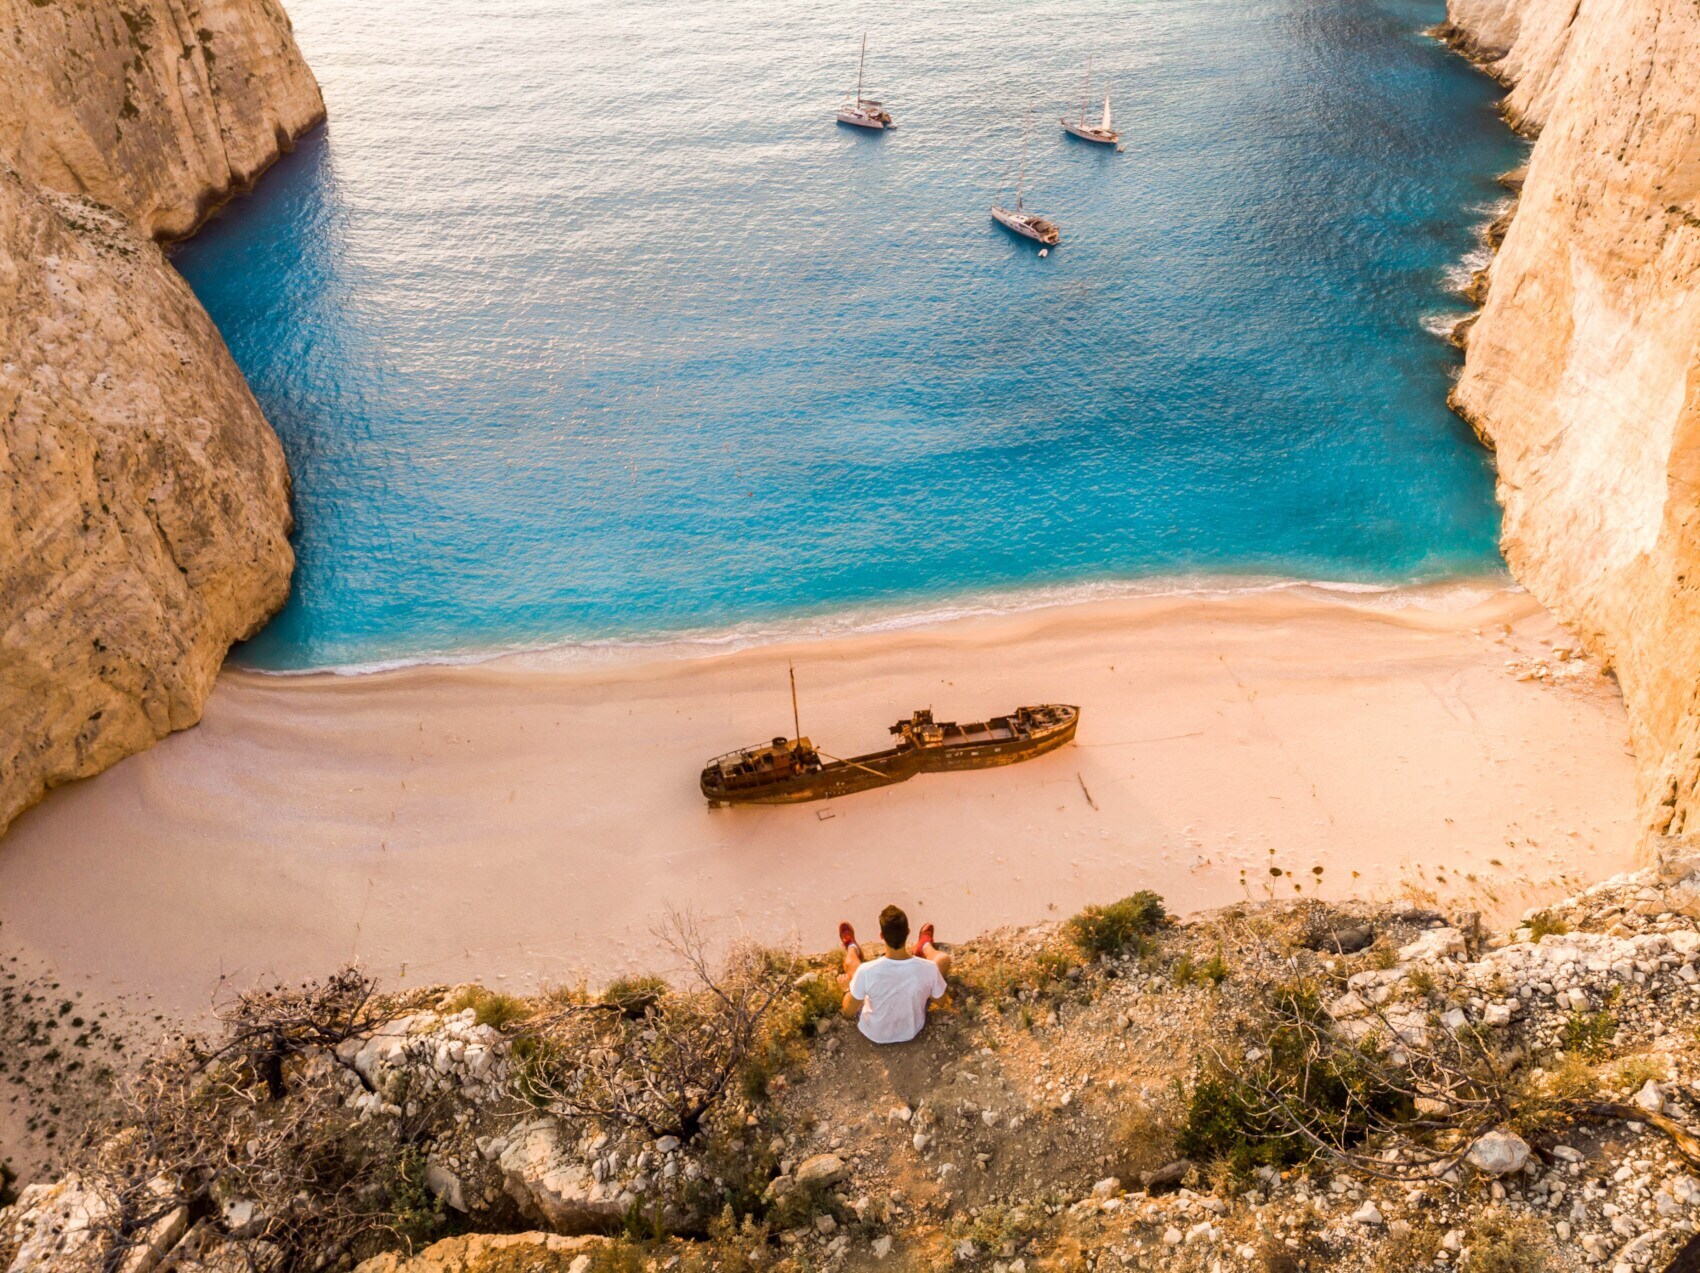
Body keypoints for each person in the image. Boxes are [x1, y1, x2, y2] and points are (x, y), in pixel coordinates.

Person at [837, 905, 951, 1044]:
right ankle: (925, 945)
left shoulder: (866, 971)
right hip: (911, 1029)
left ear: (881, 936)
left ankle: (851, 946)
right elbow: (941, 1001)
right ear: (908, 932)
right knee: (943, 960)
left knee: (852, 965)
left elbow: (848, 1012)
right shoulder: (930, 968)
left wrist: (846, 989)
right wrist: (922, 986)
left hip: (875, 1032)